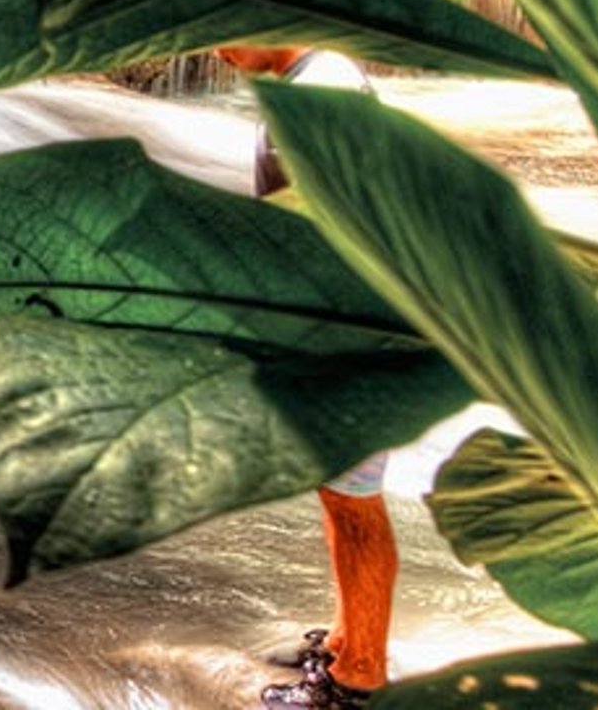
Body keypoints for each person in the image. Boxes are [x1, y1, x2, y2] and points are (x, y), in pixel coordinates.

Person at [220, 45, 397, 708]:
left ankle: (358, 679)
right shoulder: (316, 80)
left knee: (356, 508)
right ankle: (351, 639)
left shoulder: (322, 87)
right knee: (340, 494)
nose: (221, 52)